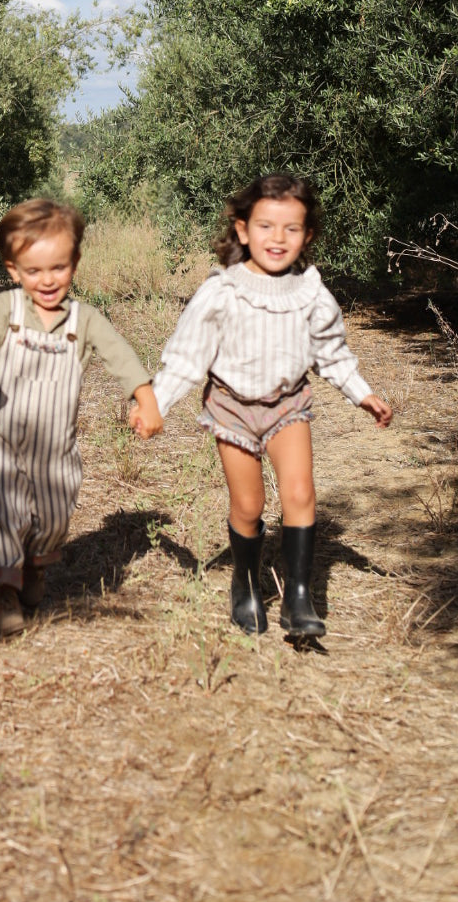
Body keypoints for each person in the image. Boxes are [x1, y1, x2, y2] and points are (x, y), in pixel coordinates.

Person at [129, 174, 392, 638]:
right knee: (249, 505)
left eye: (292, 229)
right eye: (266, 226)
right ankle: (247, 584)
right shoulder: (222, 291)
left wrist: (360, 392)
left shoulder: (311, 292)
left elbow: (331, 352)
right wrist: (156, 403)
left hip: (288, 405)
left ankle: (298, 598)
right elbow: (188, 357)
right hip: (232, 407)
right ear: (243, 229)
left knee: (301, 495)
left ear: (307, 235)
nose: (278, 238)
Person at [0, 198, 159, 637]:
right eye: (34, 271)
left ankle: (36, 563)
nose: (47, 280)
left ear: (75, 262)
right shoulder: (3, 311)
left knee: (51, 520)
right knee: (2, 514)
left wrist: (145, 397)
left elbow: (120, 357)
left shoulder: (83, 321)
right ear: (13, 270)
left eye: (58, 268)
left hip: (56, 451)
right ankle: (6, 593)